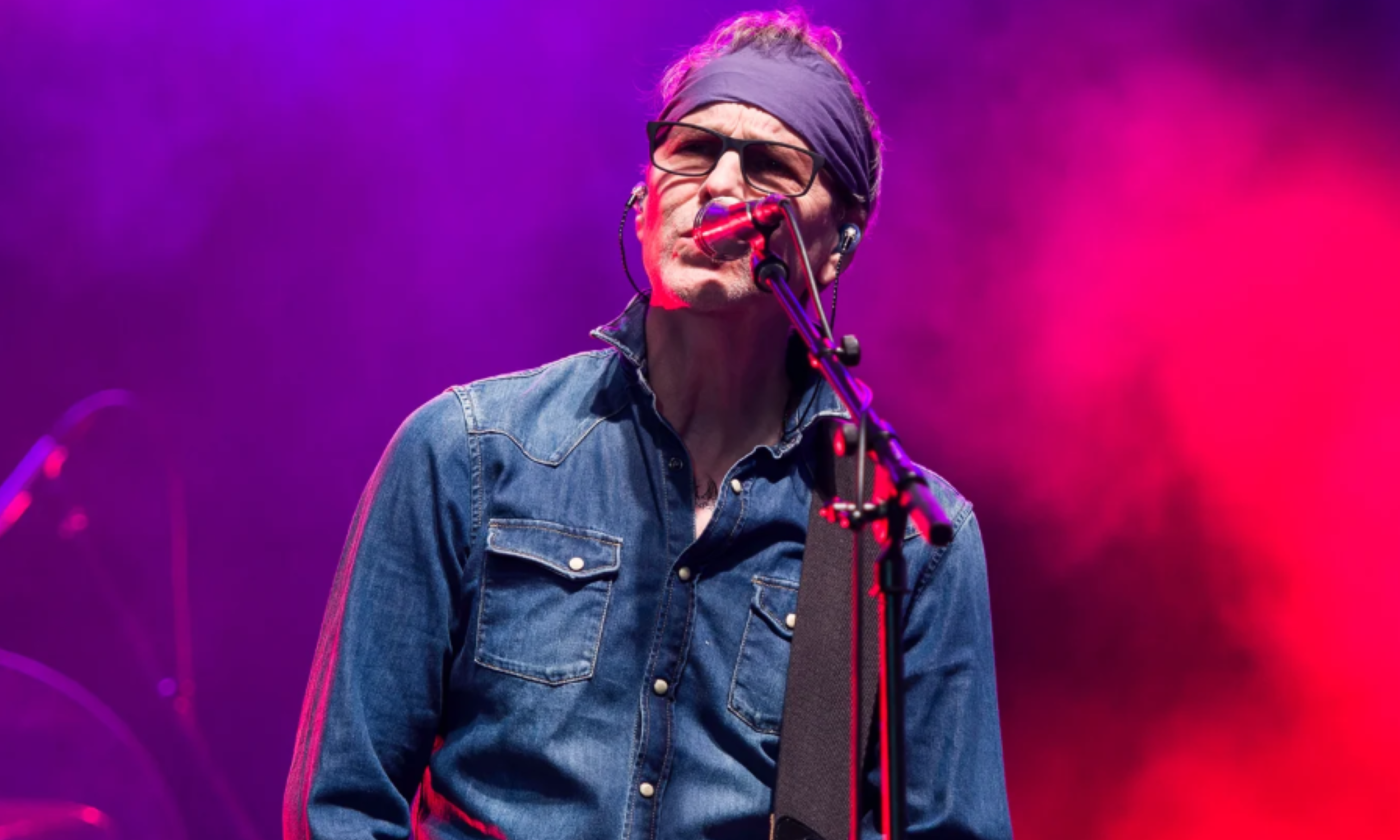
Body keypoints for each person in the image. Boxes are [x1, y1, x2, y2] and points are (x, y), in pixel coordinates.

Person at [284, 9, 1012, 840]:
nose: (721, 186)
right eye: (693, 150)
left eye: (772, 165)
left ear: (837, 244)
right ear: (643, 198)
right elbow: (340, 808)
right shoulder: (466, 455)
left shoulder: (902, 535)